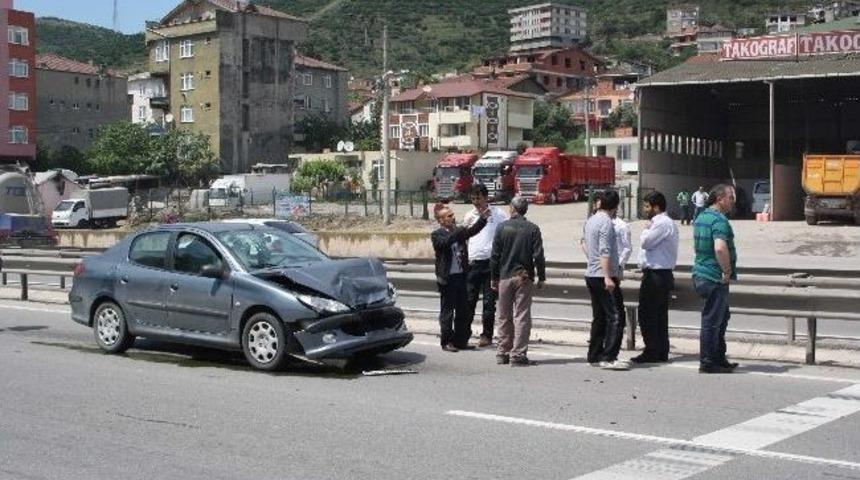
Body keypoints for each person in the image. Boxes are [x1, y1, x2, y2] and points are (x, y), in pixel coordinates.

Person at [490, 196, 545, 366]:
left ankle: (502, 352)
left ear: (512, 208)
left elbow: (495, 256)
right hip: (523, 277)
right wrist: (541, 276)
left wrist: (494, 277)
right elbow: (538, 256)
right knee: (522, 315)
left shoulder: (502, 227)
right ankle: (518, 354)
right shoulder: (533, 229)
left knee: (503, 316)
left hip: (505, 276)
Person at [692, 184, 739, 374]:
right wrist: (726, 272)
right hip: (714, 277)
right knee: (712, 321)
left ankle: (719, 358)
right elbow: (720, 248)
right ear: (720, 199)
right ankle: (708, 361)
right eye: (731, 197)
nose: (733, 201)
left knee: (722, 317)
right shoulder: (719, 220)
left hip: (700, 273)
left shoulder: (701, 217)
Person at [431, 204, 489, 352]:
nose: (453, 217)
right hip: (447, 278)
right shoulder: (437, 234)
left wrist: (482, 219)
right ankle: (446, 341)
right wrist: (459, 230)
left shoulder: (456, 232)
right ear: (441, 220)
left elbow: (471, 231)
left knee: (463, 311)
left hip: (461, 276)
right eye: (449, 216)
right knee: (448, 312)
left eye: (452, 215)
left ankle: (460, 341)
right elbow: (445, 243)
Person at [582, 190, 629, 370]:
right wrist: (608, 276)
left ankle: (594, 355)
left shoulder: (590, 220)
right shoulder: (607, 223)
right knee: (616, 316)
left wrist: (593, 262)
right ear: (616, 206)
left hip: (592, 274)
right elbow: (605, 251)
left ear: (600, 203)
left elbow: (584, 244)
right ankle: (609, 357)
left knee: (600, 316)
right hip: (603, 276)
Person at [632, 191, 679, 364]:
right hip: (659, 274)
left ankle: (652, 350)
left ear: (656, 207)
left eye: (647, 206)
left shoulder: (661, 223)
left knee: (647, 314)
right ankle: (660, 351)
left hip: (657, 275)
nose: (645, 209)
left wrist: (646, 229)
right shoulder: (663, 222)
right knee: (658, 315)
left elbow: (646, 243)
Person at [463, 184, 510, 348]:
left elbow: (506, 235)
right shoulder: (469, 216)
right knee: (469, 300)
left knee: (489, 303)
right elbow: (464, 237)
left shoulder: (498, 214)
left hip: (491, 264)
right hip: (473, 263)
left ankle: (486, 335)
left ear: (486, 198)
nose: (476, 202)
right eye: (473, 198)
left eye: (478, 198)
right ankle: (464, 333)